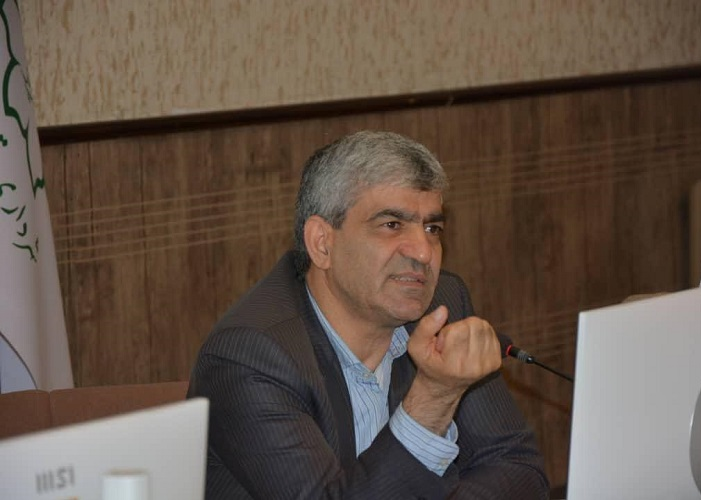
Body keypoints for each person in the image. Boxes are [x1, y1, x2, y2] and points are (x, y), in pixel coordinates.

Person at [188, 130, 549, 499]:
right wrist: (433, 397)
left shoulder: (442, 305)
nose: (423, 253)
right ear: (322, 243)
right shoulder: (249, 357)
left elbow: (519, 469)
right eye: (392, 225)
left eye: (432, 228)